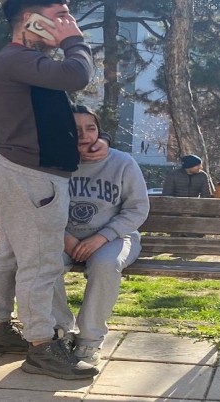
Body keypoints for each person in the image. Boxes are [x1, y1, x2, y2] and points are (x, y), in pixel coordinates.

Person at [0, 0, 109, 380]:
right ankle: (41, 347)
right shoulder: (16, 58)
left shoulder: (24, 61)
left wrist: (83, 145)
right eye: (60, 16)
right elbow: (77, 75)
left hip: (25, 172)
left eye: (69, 17)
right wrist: (75, 41)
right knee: (40, 263)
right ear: (29, 19)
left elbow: (46, 117)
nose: (69, 23)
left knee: (12, 255)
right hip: (32, 177)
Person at [52, 105, 150, 366]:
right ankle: (60, 332)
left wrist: (103, 236)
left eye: (91, 128)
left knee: (106, 264)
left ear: (99, 131)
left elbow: (137, 208)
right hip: (63, 237)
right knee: (44, 262)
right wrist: (64, 237)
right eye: (76, 130)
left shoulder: (122, 162)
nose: (85, 135)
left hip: (115, 237)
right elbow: (40, 207)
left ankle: (89, 340)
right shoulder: (51, 163)